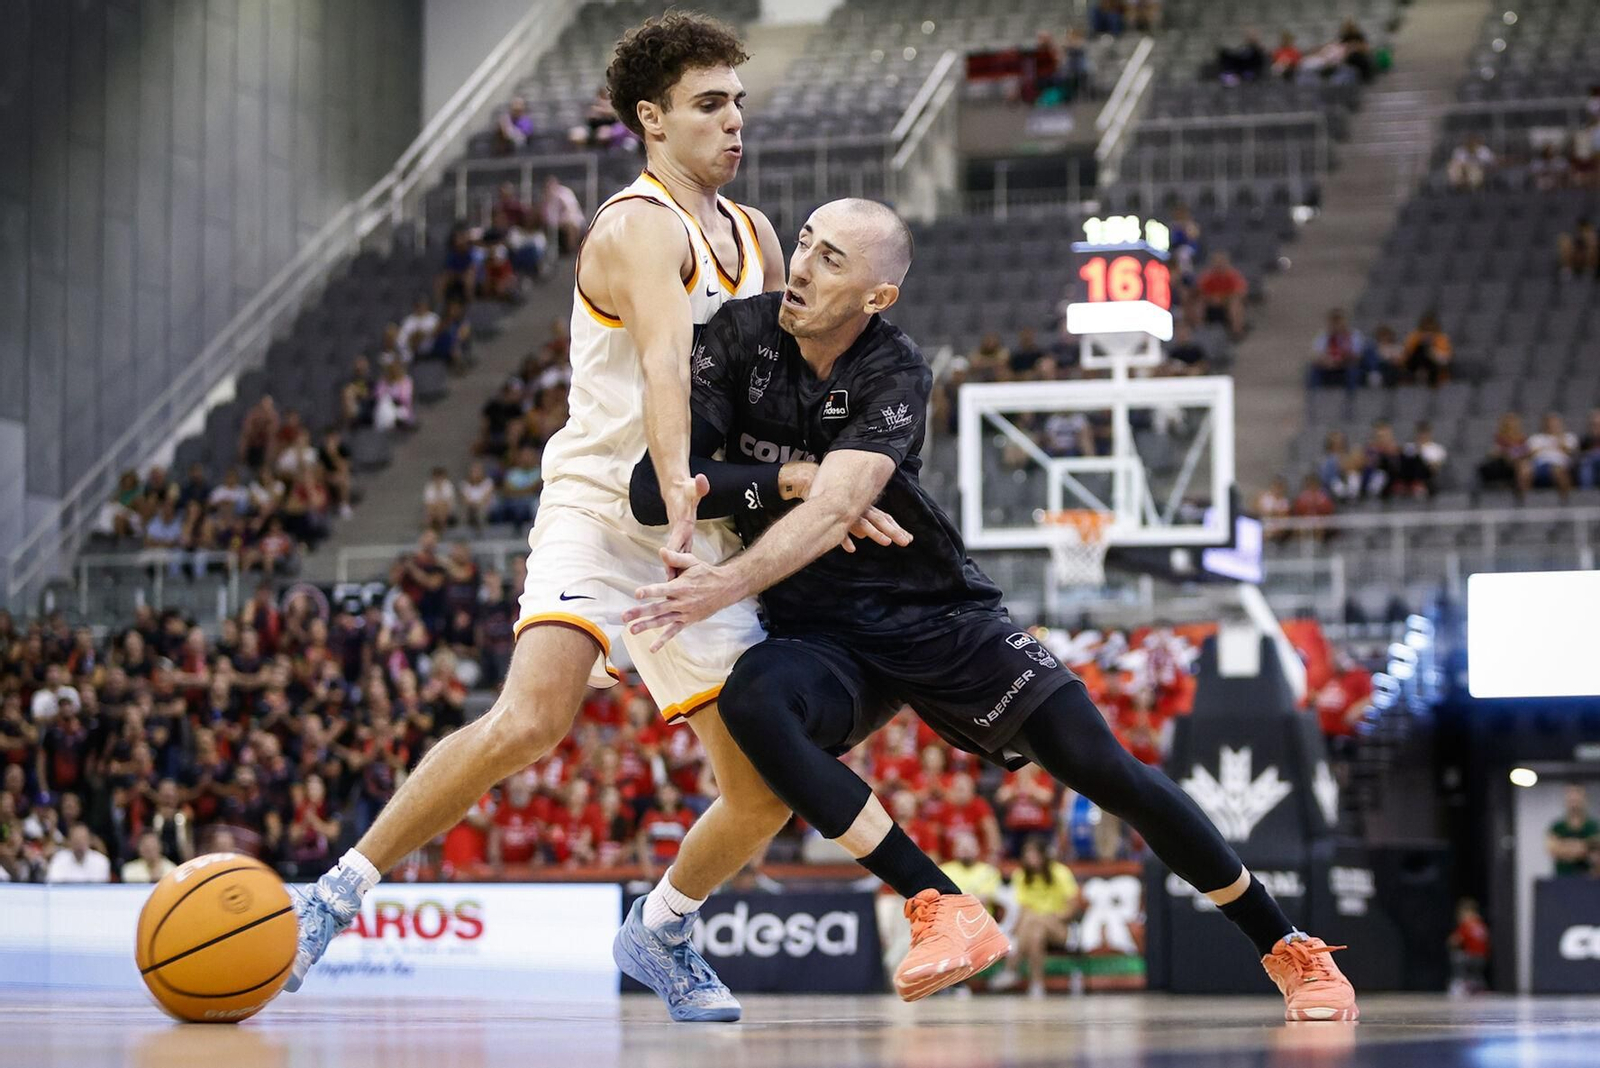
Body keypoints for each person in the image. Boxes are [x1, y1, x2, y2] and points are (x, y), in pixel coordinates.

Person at [627, 199, 1360, 1020]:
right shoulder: (739, 336)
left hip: (934, 611)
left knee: (1104, 767)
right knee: (754, 702)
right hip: (820, 633)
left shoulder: (894, 371)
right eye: (804, 243)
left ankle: (1288, 947)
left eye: (832, 259)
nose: (800, 268)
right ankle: (938, 903)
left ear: (877, 296)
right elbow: (655, 490)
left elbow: (839, 507)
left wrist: (732, 569)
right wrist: (790, 478)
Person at [285, 12, 810, 1026]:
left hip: (703, 527)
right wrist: (678, 488)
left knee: (765, 789)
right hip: (606, 510)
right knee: (531, 718)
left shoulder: (755, 235)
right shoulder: (636, 226)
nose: (733, 121)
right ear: (652, 120)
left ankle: (662, 929)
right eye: (709, 104)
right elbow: (663, 364)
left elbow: (777, 390)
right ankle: (336, 893)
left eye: (737, 103)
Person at [990, 836, 1080, 998]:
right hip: (1034, 927)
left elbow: (1073, 905)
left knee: (1034, 919)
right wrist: (1016, 930)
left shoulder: (1060, 872)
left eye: (1034, 854)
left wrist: (1054, 917)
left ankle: (1011, 969)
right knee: (1036, 932)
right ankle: (1037, 985)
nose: (1030, 858)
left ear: (1043, 855)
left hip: (1060, 927)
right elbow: (1023, 908)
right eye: (1027, 854)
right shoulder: (1021, 875)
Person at [1548, 784, 1598, 877]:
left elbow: (1596, 848)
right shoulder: (1557, 827)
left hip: (1588, 878)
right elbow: (1552, 849)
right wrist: (1584, 846)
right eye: (1571, 799)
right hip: (1562, 878)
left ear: (1585, 800)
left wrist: (1565, 847)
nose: (1574, 802)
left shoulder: (1593, 826)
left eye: (1577, 798)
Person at [1526, 413, 1577, 502]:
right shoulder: (1536, 438)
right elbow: (1531, 453)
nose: (1552, 425)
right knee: (1524, 470)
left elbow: (1569, 451)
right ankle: (1525, 501)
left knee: (1558, 471)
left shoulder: (1568, 437)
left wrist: (1558, 439)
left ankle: (1566, 501)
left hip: (1560, 465)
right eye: (1549, 423)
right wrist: (1555, 447)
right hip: (1539, 466)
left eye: (1554, 423)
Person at [1447, 898, 1489, 997]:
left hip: (1471, 956)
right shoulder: (1481, 924)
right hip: (1482, 957)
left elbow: (1455, 940)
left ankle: (1459, 984)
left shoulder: (1467, 925)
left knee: (1457, 958)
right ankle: (1478, 986)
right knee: (1476, 973)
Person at [45, 823, 111, 884]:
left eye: (83, 839)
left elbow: (100, 888)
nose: (80, 844)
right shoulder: (58, 859)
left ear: (89, 841)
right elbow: (53, 885)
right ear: (70, 841)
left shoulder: (101, 861)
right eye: (76, 840)